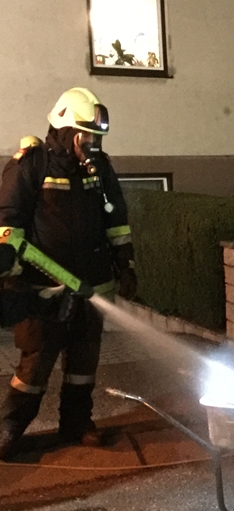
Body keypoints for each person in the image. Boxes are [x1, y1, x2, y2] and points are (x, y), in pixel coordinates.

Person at [0, 87, 137, 460]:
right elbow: (8, 224)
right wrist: (12, 275)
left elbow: (116, 219)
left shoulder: (100, 168)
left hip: (92, 285)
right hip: (44, 289)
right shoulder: (31, 165)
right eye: (85, 136)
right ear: (65, 131)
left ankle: (77, 423)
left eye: (96, 138)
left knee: (83, 362)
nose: (92, 145)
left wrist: (125, 263)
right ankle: (10, 427)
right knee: (36, 361)